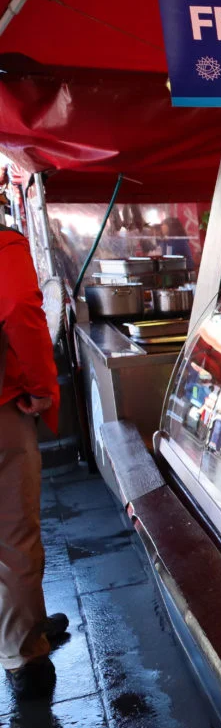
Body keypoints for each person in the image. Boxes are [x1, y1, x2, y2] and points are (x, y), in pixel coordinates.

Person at [0, 224, 67, 700]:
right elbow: (22, 309)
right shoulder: (4, 245)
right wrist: (43, 389)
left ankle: (22, 627)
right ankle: (23, 654)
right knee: (12, 537)